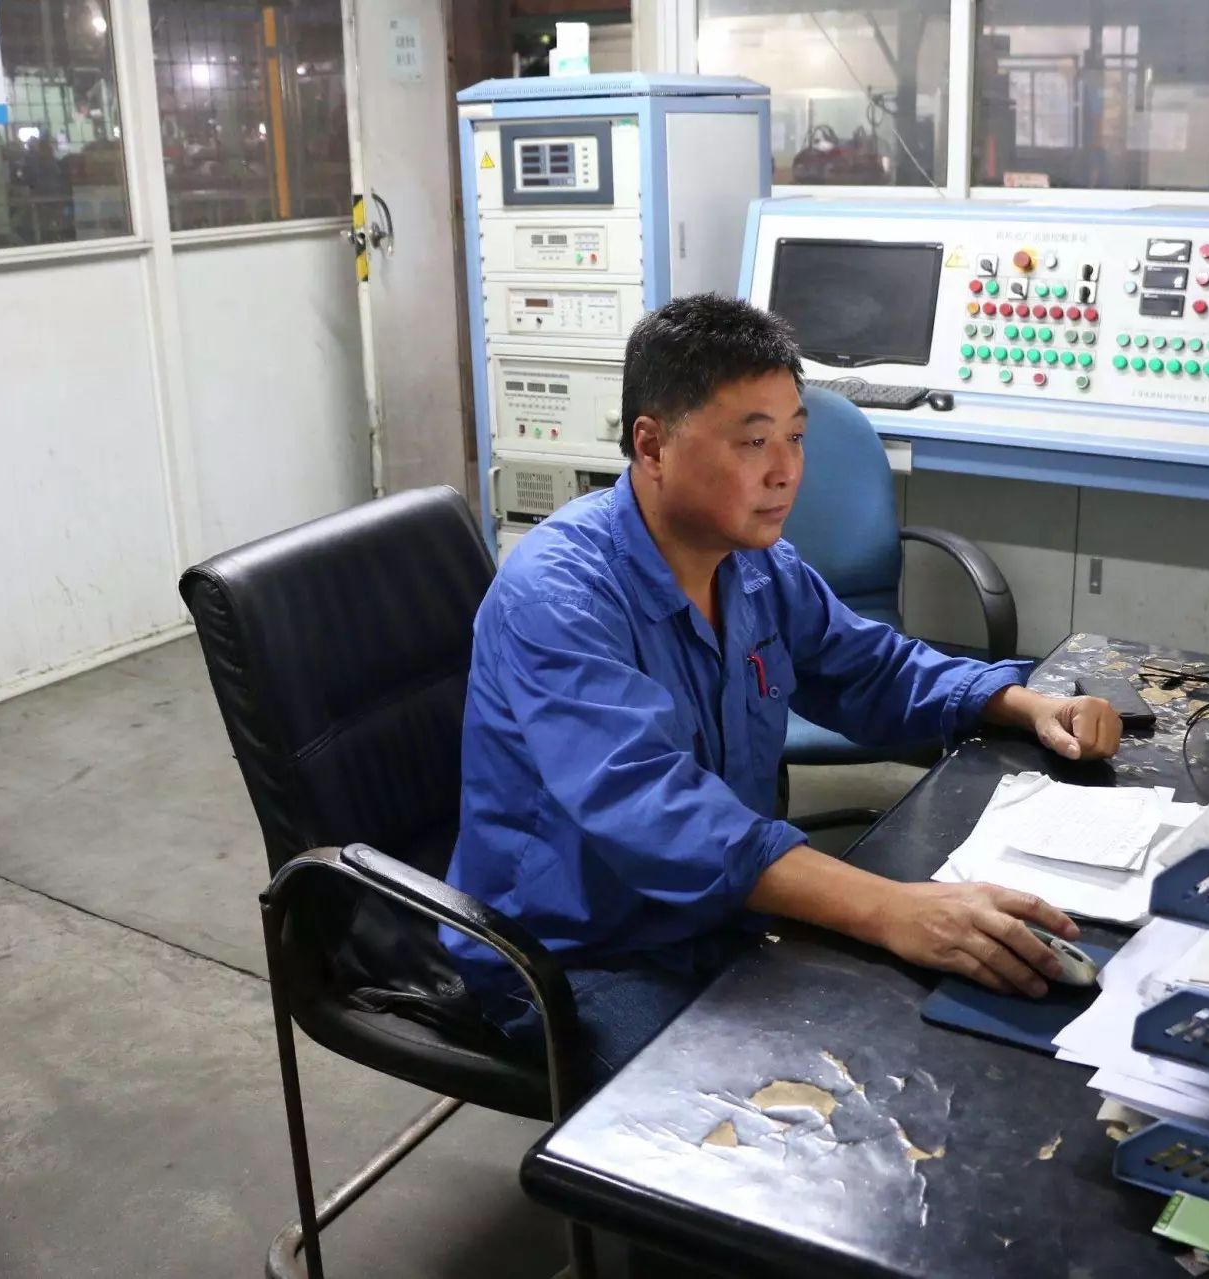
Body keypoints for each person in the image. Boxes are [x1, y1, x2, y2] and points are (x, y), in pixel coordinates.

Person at [442, 294, 1122, 1084]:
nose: (786, 471)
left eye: (795, 437)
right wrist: (892, 908)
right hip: (579, 953)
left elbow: (867, 667)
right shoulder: (560, 595)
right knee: (761, 1117)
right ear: (652, 445)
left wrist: (1026, 703)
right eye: (753, 441)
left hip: (717, 911)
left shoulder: (754, 563)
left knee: (918, 1046)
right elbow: (662, 818)